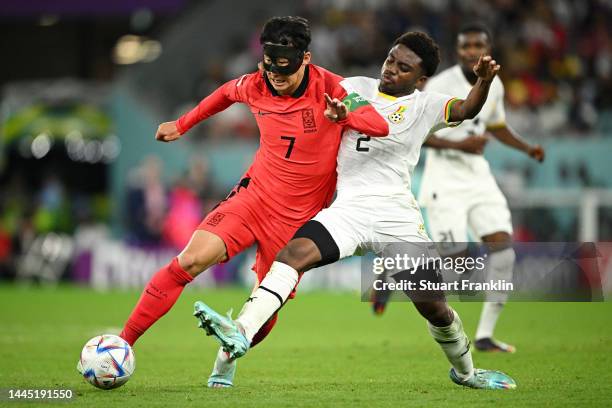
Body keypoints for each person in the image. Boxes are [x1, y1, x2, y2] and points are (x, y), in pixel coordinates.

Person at [193, 31, 517, 390]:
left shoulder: (427, 105)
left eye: (403, 67)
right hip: (349, 209)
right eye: (391, 59)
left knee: (433, 307)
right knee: (292, 256)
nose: (391, 69)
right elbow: (333, 105)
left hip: (397, 216)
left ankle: (467, 373)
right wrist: (340, 112)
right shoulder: (355, 85)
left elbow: (468, 108)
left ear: (420, 79)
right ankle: (239, 333)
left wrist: (484, 82)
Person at [109, 16, 389, 386]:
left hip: (296, 224)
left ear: (305, 59)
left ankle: (227, 356)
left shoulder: (333, 88)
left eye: (284, 72)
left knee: (264, 310)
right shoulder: (255, 84)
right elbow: (225, 93)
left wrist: (345, 114)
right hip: (253, 197)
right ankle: (121, 345)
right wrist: (182, 124)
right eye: (270, 69)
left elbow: (379, 125)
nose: (275, 78)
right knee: (189, 260)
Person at [416, 22, 545, 353]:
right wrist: (460, 146)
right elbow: (415, 132)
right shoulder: (440, 85)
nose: (471, 51)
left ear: (488, 49)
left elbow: (497, 126)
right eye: (465, 46)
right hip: (444, 180)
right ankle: (395, 281)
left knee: (504, 249)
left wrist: (527, 147)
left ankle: (485, 336)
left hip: (478, 178)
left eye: (477, 46)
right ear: (458, 50)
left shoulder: (495, 84)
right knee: (456, 268)